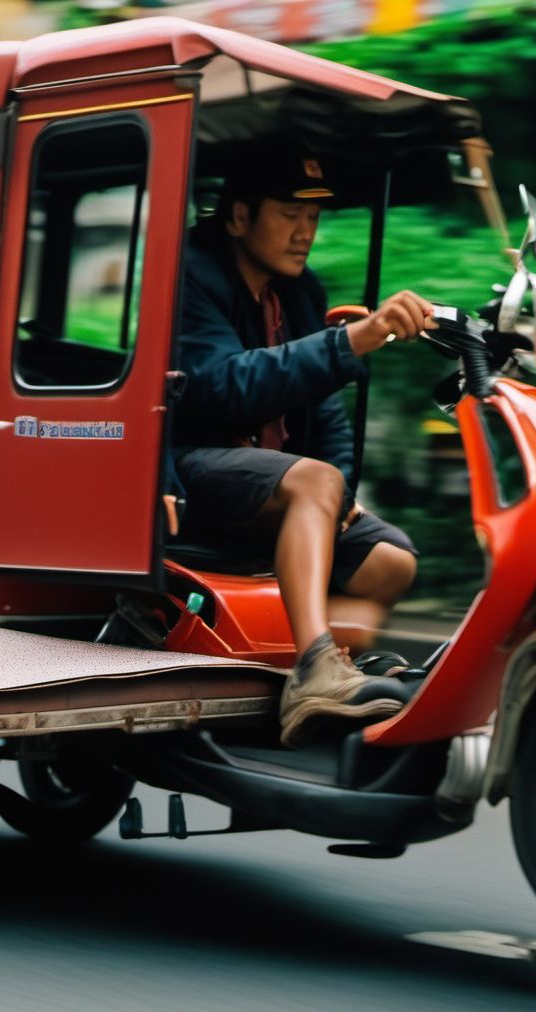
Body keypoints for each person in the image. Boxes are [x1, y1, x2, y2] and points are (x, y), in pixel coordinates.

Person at [172, 152, 435, 747]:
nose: (305, 232)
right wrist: (352, 341)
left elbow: (323, 409)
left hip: (275, 486)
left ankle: (323, 660)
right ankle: (315, 670)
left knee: (393, 561)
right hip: (196, 470)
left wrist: (340, 488)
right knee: (315, 482)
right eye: (291, 213)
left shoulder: (296, 291)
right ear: (239, 217)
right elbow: (221, 391)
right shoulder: (192, 275)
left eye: (314, 217)